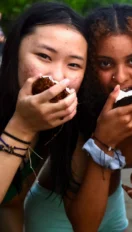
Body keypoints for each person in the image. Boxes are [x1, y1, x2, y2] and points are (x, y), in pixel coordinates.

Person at [24, 4, 132, 231]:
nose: (120, 78)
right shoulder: (75, 115)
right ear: (90, 66)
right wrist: (104, 143)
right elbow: (83, 226)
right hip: (57, 216)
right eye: (105, 63)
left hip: (113, 207)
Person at [0, 3, 87, 231]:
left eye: (74, 64)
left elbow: (10, 203)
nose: (57, 76)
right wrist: (22, 126)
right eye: (44, 56)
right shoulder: (32, 120)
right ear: (15, 51)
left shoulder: (55, 127)